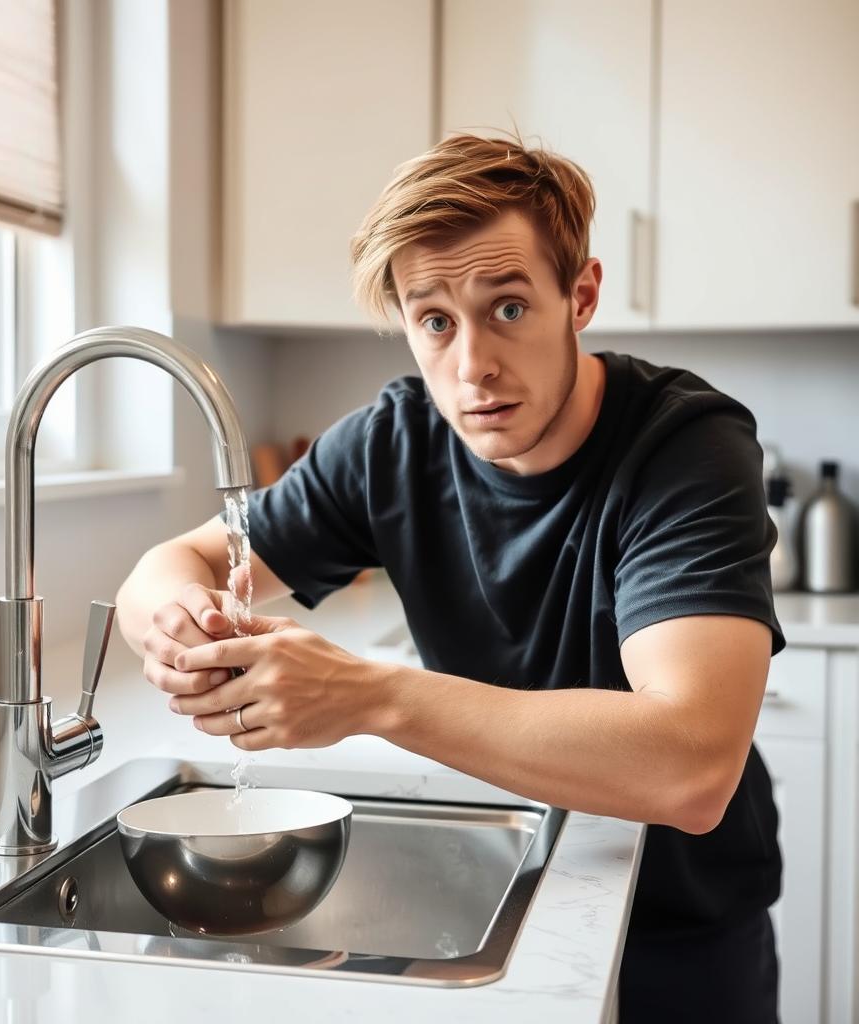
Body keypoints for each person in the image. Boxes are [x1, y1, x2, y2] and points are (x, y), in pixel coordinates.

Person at [115, 132, 783, 1022]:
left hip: (682, 926)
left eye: (507, 308)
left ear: (579, 294)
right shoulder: (392, 443)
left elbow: (691, 769)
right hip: (502, 883)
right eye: (434, 320)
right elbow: (177, 563)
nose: (471, 367)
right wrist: (178, 621)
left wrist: (371, 697)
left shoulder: (685, 448)